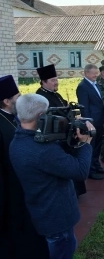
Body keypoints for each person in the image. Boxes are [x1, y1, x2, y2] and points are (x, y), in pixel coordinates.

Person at [9, 93, 93, 259]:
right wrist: (86, 142)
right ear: (41, 116)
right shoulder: (42, 151)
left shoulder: (18, 140)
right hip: (57, 217)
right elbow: (80, 171)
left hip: (41, 210)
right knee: (64, 251)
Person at [0, 76, 49, 258]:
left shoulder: (14, 117)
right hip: (11, 188)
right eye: (17, 96)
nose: (20, 99)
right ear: (6, 101)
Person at [36, 64, 87, 197]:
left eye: (56, 79)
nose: (56, 82)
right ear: (43, 82)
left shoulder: (56, 94)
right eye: (52, 80)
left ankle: (77, 191)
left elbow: (64, 107)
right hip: (55, 137)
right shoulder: (40, 96)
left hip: (67, 134)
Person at [76, 64, 104, 180]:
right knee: (91, 146)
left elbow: (100, 102)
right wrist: (88, 123)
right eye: (93, 73)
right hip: (91, 122)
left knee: (98, 145)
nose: (96, 75)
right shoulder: (82, 87)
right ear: (86, 73)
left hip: (99, 120)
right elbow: (84, 107)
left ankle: (97, 166)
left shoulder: (95, 84)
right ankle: (91, 170)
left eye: (97, 72)